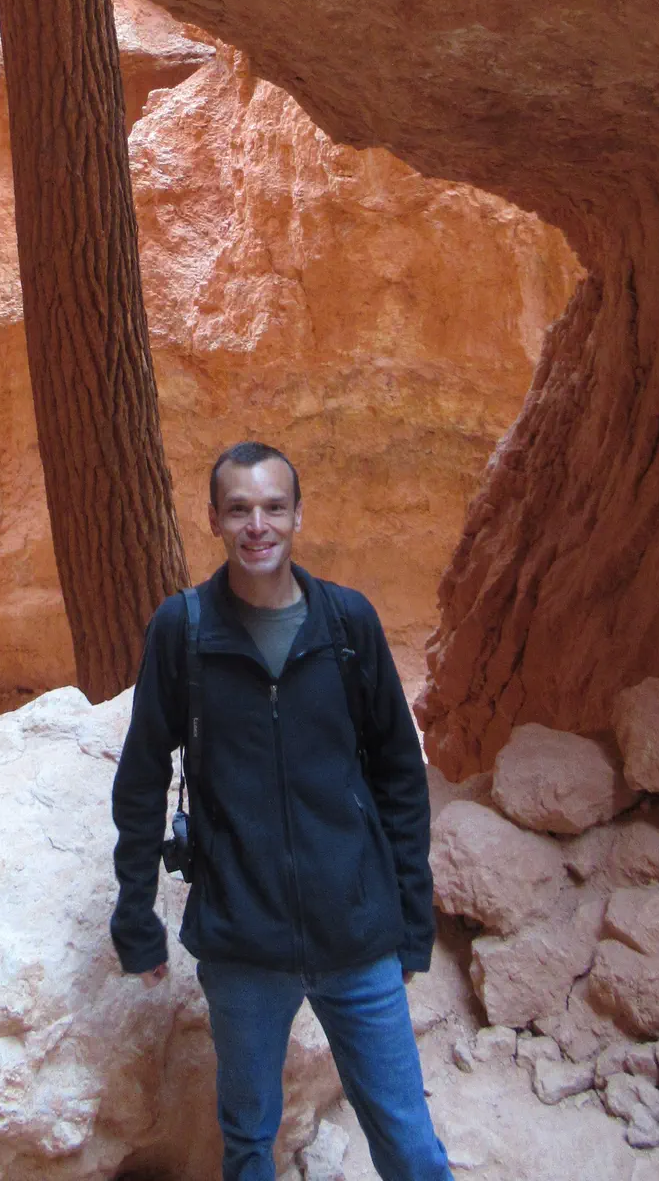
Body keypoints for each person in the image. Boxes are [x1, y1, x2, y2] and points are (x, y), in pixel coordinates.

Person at [110, 441, 450, 1181]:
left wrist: (411, 917)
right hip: (243, 943)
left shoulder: (347, 624)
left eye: (273, 507)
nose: (257, 526)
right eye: (239, 510)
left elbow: (400, 774)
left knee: (411, 1146)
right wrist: (136, 916)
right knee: (247, 1140)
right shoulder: (183, 631)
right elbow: (141, 780)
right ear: (213, 520)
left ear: (299, 515)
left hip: (356, 933)